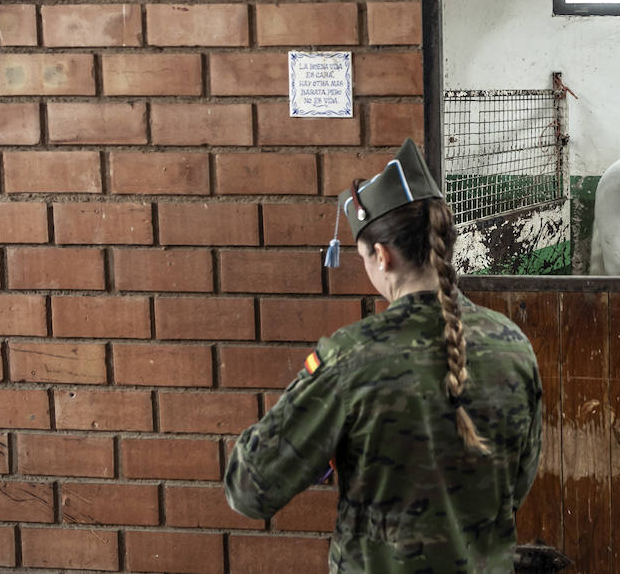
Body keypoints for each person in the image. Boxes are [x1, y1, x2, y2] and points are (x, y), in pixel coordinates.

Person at [224, 138, 543, 572]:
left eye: (362, 258)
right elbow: (518, 483)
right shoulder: (513, 346)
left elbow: (251, 488)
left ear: (382, 255)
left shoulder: (351, 358)